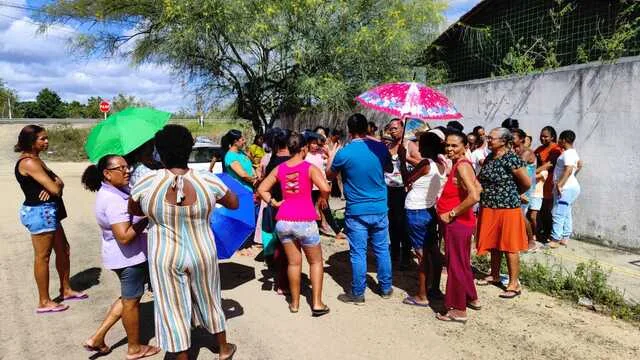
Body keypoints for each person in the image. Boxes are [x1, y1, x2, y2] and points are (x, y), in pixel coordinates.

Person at [129, 125, 238, 360]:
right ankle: (223, 348)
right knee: (210, 298)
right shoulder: (207, 179)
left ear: (159, 151)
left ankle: (182, 356)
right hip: (202, 250)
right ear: (189, 149)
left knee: (172, 307)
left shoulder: (148, 181)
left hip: (164, 253)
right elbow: (233, 203)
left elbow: (134, 208)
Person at [81, 155, 160, 359]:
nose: (127, 171)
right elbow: (124, 237)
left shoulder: (114, 191)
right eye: (120, 169)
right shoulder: (113, 200)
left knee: (128, 298)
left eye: (127, 167)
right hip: (128, 259)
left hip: (124, 257)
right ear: (107, 174)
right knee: (131, 303)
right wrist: (146, 218)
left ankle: (97, 338)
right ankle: (134, 348)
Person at [14, 125, 86, 314]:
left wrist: (56, 183)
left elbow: (57, 183)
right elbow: (56, 188)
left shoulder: (37, 160)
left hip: (48, 211)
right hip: (40, 212)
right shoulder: (29, 162)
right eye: (42, 139)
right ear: (31, 141)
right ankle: (44, 301)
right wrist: (56, 184)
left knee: (64, 250)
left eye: (46, 138)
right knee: (42, 257)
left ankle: (66, 289)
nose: (46, 142)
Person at [258, 133, 331, 316]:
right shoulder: (309, 168)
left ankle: (295, 303)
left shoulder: (280, 168)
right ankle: (316, 303)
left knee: (293, 263)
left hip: (284, 221)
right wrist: (322, 200)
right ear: (304, 149)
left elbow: (261, 188)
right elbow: (326, 187)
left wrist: (274, 202)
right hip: (305, 220)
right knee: (315, 262)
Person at [327, 113, 394, 304]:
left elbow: (329, 176)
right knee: (382, 249)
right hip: (380, 207)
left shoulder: (345, 152)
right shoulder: (380, 148)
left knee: (358, 252)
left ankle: (358, 292)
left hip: (357, 210)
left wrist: (332, 155)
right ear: (367, 128)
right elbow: (389, 169)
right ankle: (386, 288)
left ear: (349, 130)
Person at [476, 128, 532, 299]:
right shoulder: (490, 157)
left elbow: (526, 183)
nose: (488, 140)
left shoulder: (511, 158)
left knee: (510, 246)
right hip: (489, 206)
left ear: (503, 141)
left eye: (491, 138)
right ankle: (494, 274)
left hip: (507, 208)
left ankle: (514, 284)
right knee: (494, 243)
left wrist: (512, 194)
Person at [435, 131, 482, 322]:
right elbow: (478, 187)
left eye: (454, 146)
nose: (449, 149)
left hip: (457, 223)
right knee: (461, 263)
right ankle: (472, 297)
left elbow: (475, 196)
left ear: (465, 147)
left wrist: (451, 213)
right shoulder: (461, 165)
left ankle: (457, 309)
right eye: (447, 145)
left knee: (455, 265)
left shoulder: (462, 166)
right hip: (459, 223)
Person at [401, 132, 447, 307]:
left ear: (427, 146)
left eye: (420, 144)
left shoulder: (426, 163)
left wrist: (402, 157)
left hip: (416, 210)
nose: (418, 147)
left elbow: (406, 180)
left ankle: (421, 295)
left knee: (421, 255)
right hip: (428, 209)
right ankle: (434, 289)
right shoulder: (441, 164)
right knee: (433, 251)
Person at [264, 128, 293, 294]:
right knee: (288, 247)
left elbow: (263, 188)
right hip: (293, 208)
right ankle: (284, 283)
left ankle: (282, 281)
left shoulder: (273, 161)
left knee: (281, 245)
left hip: (277, 208)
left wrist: (272, 202)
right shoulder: (292, 162)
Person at [305, 132, 346, 240]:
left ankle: (337, 231)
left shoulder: (321, 153)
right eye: (312, 143)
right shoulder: (305, 155)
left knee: (325, 208)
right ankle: (310, 231)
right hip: (309, 186)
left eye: (316, 144)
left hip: (321, 186)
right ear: (308, 144)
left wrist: (329, 152)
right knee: (309, 209)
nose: (314, 146)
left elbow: (330, 163)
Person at [384, 118, 411, 269]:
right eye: (390, 128)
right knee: (392, 222)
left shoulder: (409, 145)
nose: (392, 131)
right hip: (389, 188)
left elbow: (420, 163)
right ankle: (394, 253)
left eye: (395, 128)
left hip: (403, 189)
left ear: (402, 128)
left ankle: (406, 255)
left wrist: (405, 156)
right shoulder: (389, 146)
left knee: (403, 223)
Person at [549, 130, 581, 248]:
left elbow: (568, 169)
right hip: (572, 187)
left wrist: (560, 184)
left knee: (559, 212)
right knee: (566, 212)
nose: (558, 141)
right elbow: (580, 164)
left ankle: (555, 239)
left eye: (559, 139)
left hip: (566, 188)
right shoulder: (573, 152)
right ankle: (565, 237)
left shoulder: (567, 154)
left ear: (563, 140)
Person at [512, 129, 539, 251]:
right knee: (514, 214)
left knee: (520, 214)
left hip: (524, 189)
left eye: (513, 137)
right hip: (516, 187)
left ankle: (531, 241)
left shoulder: (527, 153)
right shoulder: (514, 151)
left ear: (522, 139)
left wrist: (520, 193)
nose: (510, 139)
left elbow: (517, 167)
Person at [534, 126, 563, 242]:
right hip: (540, 182)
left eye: (546, 136)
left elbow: (550, 165)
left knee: (547, 209)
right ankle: (542, 231)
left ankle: (549, 233)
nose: (542, 138)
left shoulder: (556, 149)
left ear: (552, 137)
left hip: (549, 182)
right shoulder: (540, 149)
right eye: (541, 136)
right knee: (540, 209)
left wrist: (533, 172)